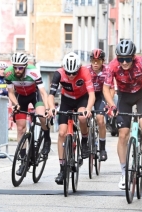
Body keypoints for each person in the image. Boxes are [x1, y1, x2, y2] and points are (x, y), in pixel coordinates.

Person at [103, 39, 142, 190]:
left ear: (133, 57)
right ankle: (123, 172)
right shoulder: (113, 66)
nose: (125, 62)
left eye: (128, 59)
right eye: (121, 59)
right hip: (124, 97)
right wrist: (112, 105)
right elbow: (106, 89)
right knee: (123, 134)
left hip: (141, 94)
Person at [48, 52, 95, 185]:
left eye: (74, 73)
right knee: (62, 133)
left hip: (82, 98)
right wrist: (51, 107)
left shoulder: (85, 72)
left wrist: (88, 109)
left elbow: (91, 95)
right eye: (68, 73)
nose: (71, 76)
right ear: (64, 69)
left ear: (79, 69)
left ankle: (84, 139)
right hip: (66, 100)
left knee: (81, 118)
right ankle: (62, 169)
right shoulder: (58, 73)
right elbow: (51, 94)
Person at [4, 52, 51, 175]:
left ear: (25, 66)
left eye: (20, 67)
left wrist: (46, 109)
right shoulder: (8, 73)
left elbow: (43, 92)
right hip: (21, 97)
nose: (17, 70)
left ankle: (46, 137)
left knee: (41, 117)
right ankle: (23, 160)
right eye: (15, 67)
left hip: (35, 95)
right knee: (20, 128)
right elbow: (10, 92)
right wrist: (15, 104)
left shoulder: (33, 72)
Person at [86, 48, 115, 161]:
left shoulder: (108, 70)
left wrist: (109, 103)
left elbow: (111, 90)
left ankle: (102, 148)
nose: (95, 63)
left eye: (98, 61)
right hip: (88, 94)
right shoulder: (86, 70)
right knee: (82, 116)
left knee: (100, 119)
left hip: (102, 95)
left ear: (103, 61)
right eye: (93, 60)